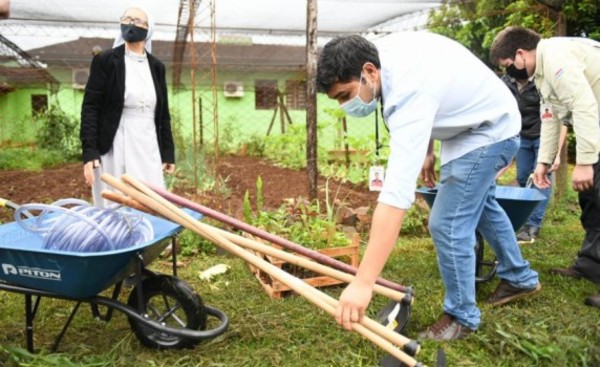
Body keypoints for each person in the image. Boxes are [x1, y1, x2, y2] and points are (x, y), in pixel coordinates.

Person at [317, 32, 541, 340]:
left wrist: (363, 283)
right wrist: (427, 150)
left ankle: (462, 317)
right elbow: (439, 86)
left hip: (490, 129)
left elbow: (395, 196)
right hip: (471, 122)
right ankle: (519, 277)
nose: (345, 105)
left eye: (345, 95)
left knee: (448, 222)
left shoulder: (407, 92)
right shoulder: (375, 55)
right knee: (480, 204)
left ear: (369, 71)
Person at [490, 26, 600, 309]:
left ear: (520, 54)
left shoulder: (557, 59)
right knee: (591, 199)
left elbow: (585, 106)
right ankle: (590, 264)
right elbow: (550, 117)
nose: (509, 72)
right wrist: (543, 162)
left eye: (507, 66)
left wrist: (585, 162)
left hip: (595, 122)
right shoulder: (542, 71)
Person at [80, 7, 175, 208]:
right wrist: (90, 152)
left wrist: (167, 152)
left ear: (149, 29)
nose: (131, 24)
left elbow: (162, 114)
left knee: (149, 200)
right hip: (115, 140)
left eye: (138, 21)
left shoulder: (157, 67)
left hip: (147, 142)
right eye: (127, 18)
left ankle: (150, 238)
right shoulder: (105, 61)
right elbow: (91, 107)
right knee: (114, 201)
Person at [500, 73, 551, 243]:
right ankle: (526, 216)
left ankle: (533, 225)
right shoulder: (506, 81)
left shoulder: (540, 80)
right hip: (521, 134)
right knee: (522, 177)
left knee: (540, 178)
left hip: (543, 135)